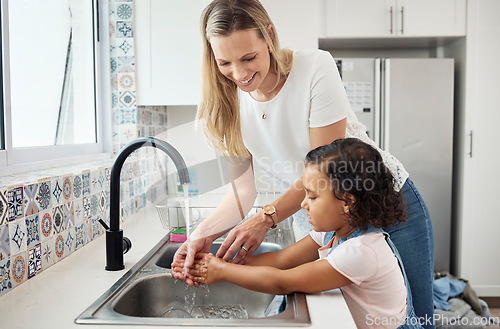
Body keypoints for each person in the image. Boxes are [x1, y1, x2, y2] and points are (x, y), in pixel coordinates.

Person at [172, 1, 434, 327]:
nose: (239, 74)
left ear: (269, 36)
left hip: (383, 199)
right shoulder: (229, 102)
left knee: (418, 317)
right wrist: (201, 236)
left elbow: (325, 176)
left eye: (249, 57)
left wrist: (267, 217)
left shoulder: (314, 68)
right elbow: (243, 192)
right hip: (325, 216)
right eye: (224, 62)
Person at [173, 139, 424, 329]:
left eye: (313, 197)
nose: (303, 204)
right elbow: (281, 261)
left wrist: (222, 272)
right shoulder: (335, 233)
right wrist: (213, 263)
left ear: (347, 201)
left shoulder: (361, 251)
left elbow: (284, 281)